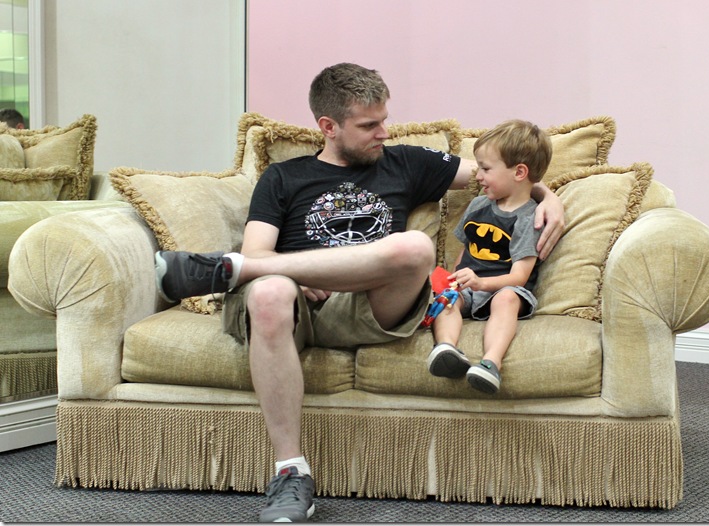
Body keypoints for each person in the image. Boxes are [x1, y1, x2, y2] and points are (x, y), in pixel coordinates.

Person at [154, 63, 565, 522]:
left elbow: (506, 173)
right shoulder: (283, 177)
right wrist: (294, 276)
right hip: (295, 305)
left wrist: (549, 199)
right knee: (268, 292)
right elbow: (258, 249)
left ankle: (226, 270)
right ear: (328, 127)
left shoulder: (407, 161)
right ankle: (291, 474)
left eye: (384, 120)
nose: (383, 133)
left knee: (415, 247)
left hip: (370, 306)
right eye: (369, 125)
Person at [426, 120, 552, 395]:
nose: (478, 176)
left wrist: (481, 283)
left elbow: (520, 277)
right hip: (470, 286)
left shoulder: (529, 219)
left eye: (485, 169)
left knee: (506, 298)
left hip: (505, 289)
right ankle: (446, 348)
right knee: (447, 298)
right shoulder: (479, 204)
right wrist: (454, 280)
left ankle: (490, 364)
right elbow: (468, 248)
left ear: (519, 172)